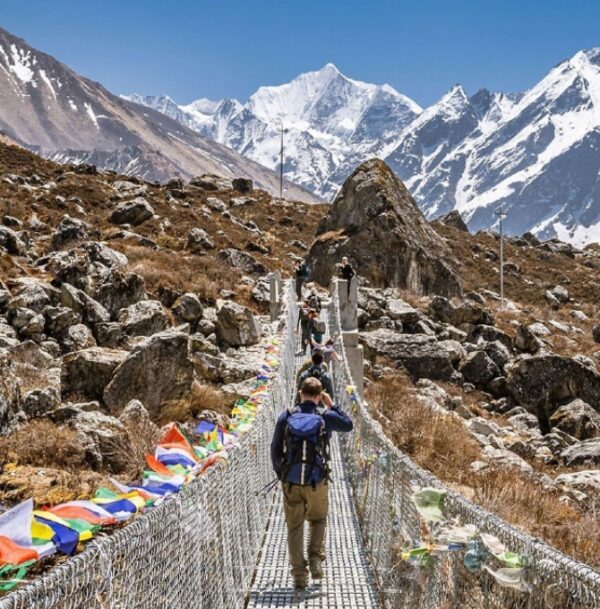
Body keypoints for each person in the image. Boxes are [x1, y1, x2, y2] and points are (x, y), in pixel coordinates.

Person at [271, 377, 353, 589]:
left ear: (300, 393)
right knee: (318, 520)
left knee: (294, 527)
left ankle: (299, 575)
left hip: (291, 480)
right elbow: (349, 425)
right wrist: (332, 404)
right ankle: (316, 557)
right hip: (317, 480)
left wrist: (281, 471)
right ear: (319, 397)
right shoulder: (326, 416)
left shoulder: (287, 415)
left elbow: (274, 447)